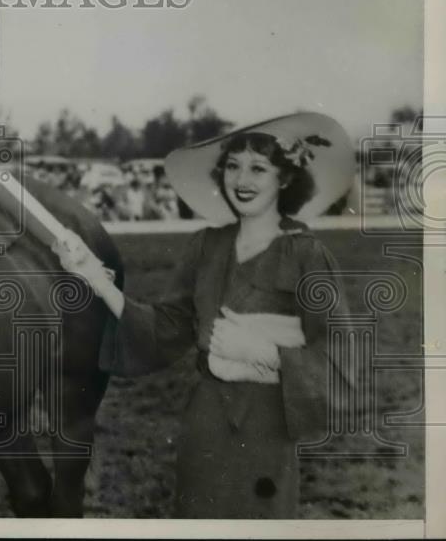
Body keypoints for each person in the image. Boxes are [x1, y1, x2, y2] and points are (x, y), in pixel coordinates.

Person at [52, 112, 356, 518]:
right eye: (232, 166)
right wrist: (95, 277)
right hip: (206, 422)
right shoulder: (205, 247)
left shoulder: (307, 255)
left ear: (284, 179)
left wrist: (265, 352)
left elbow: (340, 359)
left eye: (257, 168)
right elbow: (165, 329)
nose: (241, 180)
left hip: (268, 423)